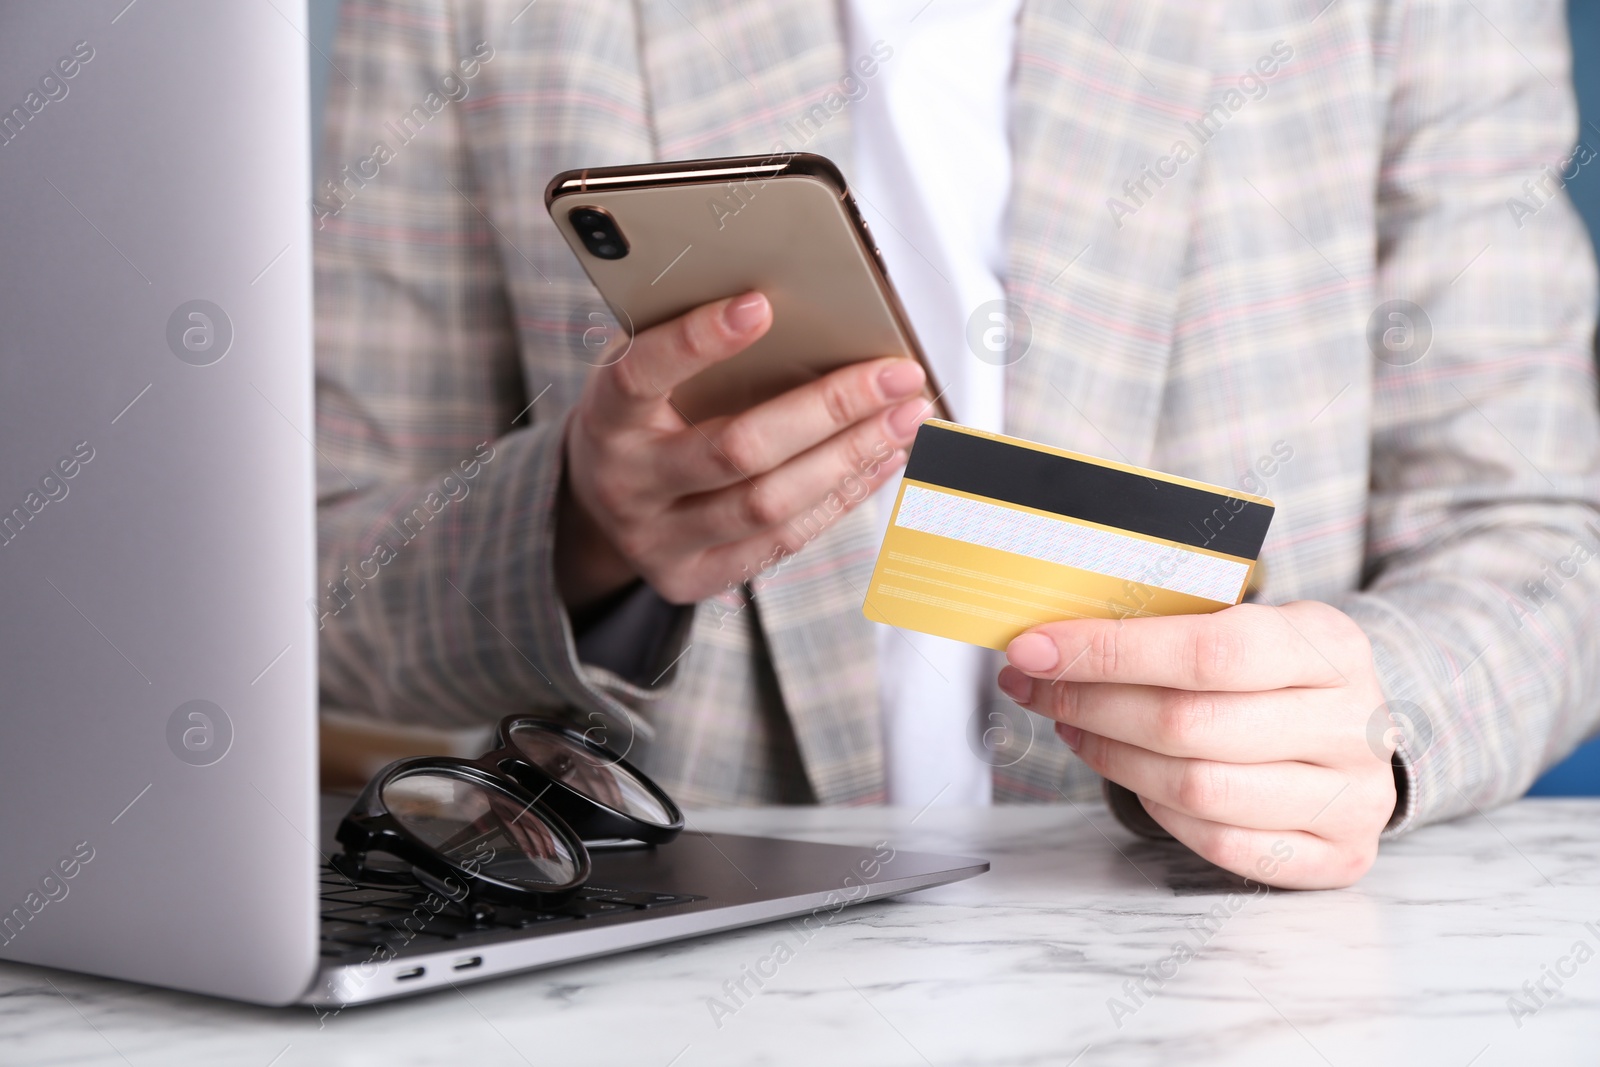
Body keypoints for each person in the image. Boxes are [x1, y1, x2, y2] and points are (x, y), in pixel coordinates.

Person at [313, 0, 1600, 889]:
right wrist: (584, 531)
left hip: (1236, 967)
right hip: (663, 968)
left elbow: (1548, 541)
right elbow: (308, 580)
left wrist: (1378, 716)